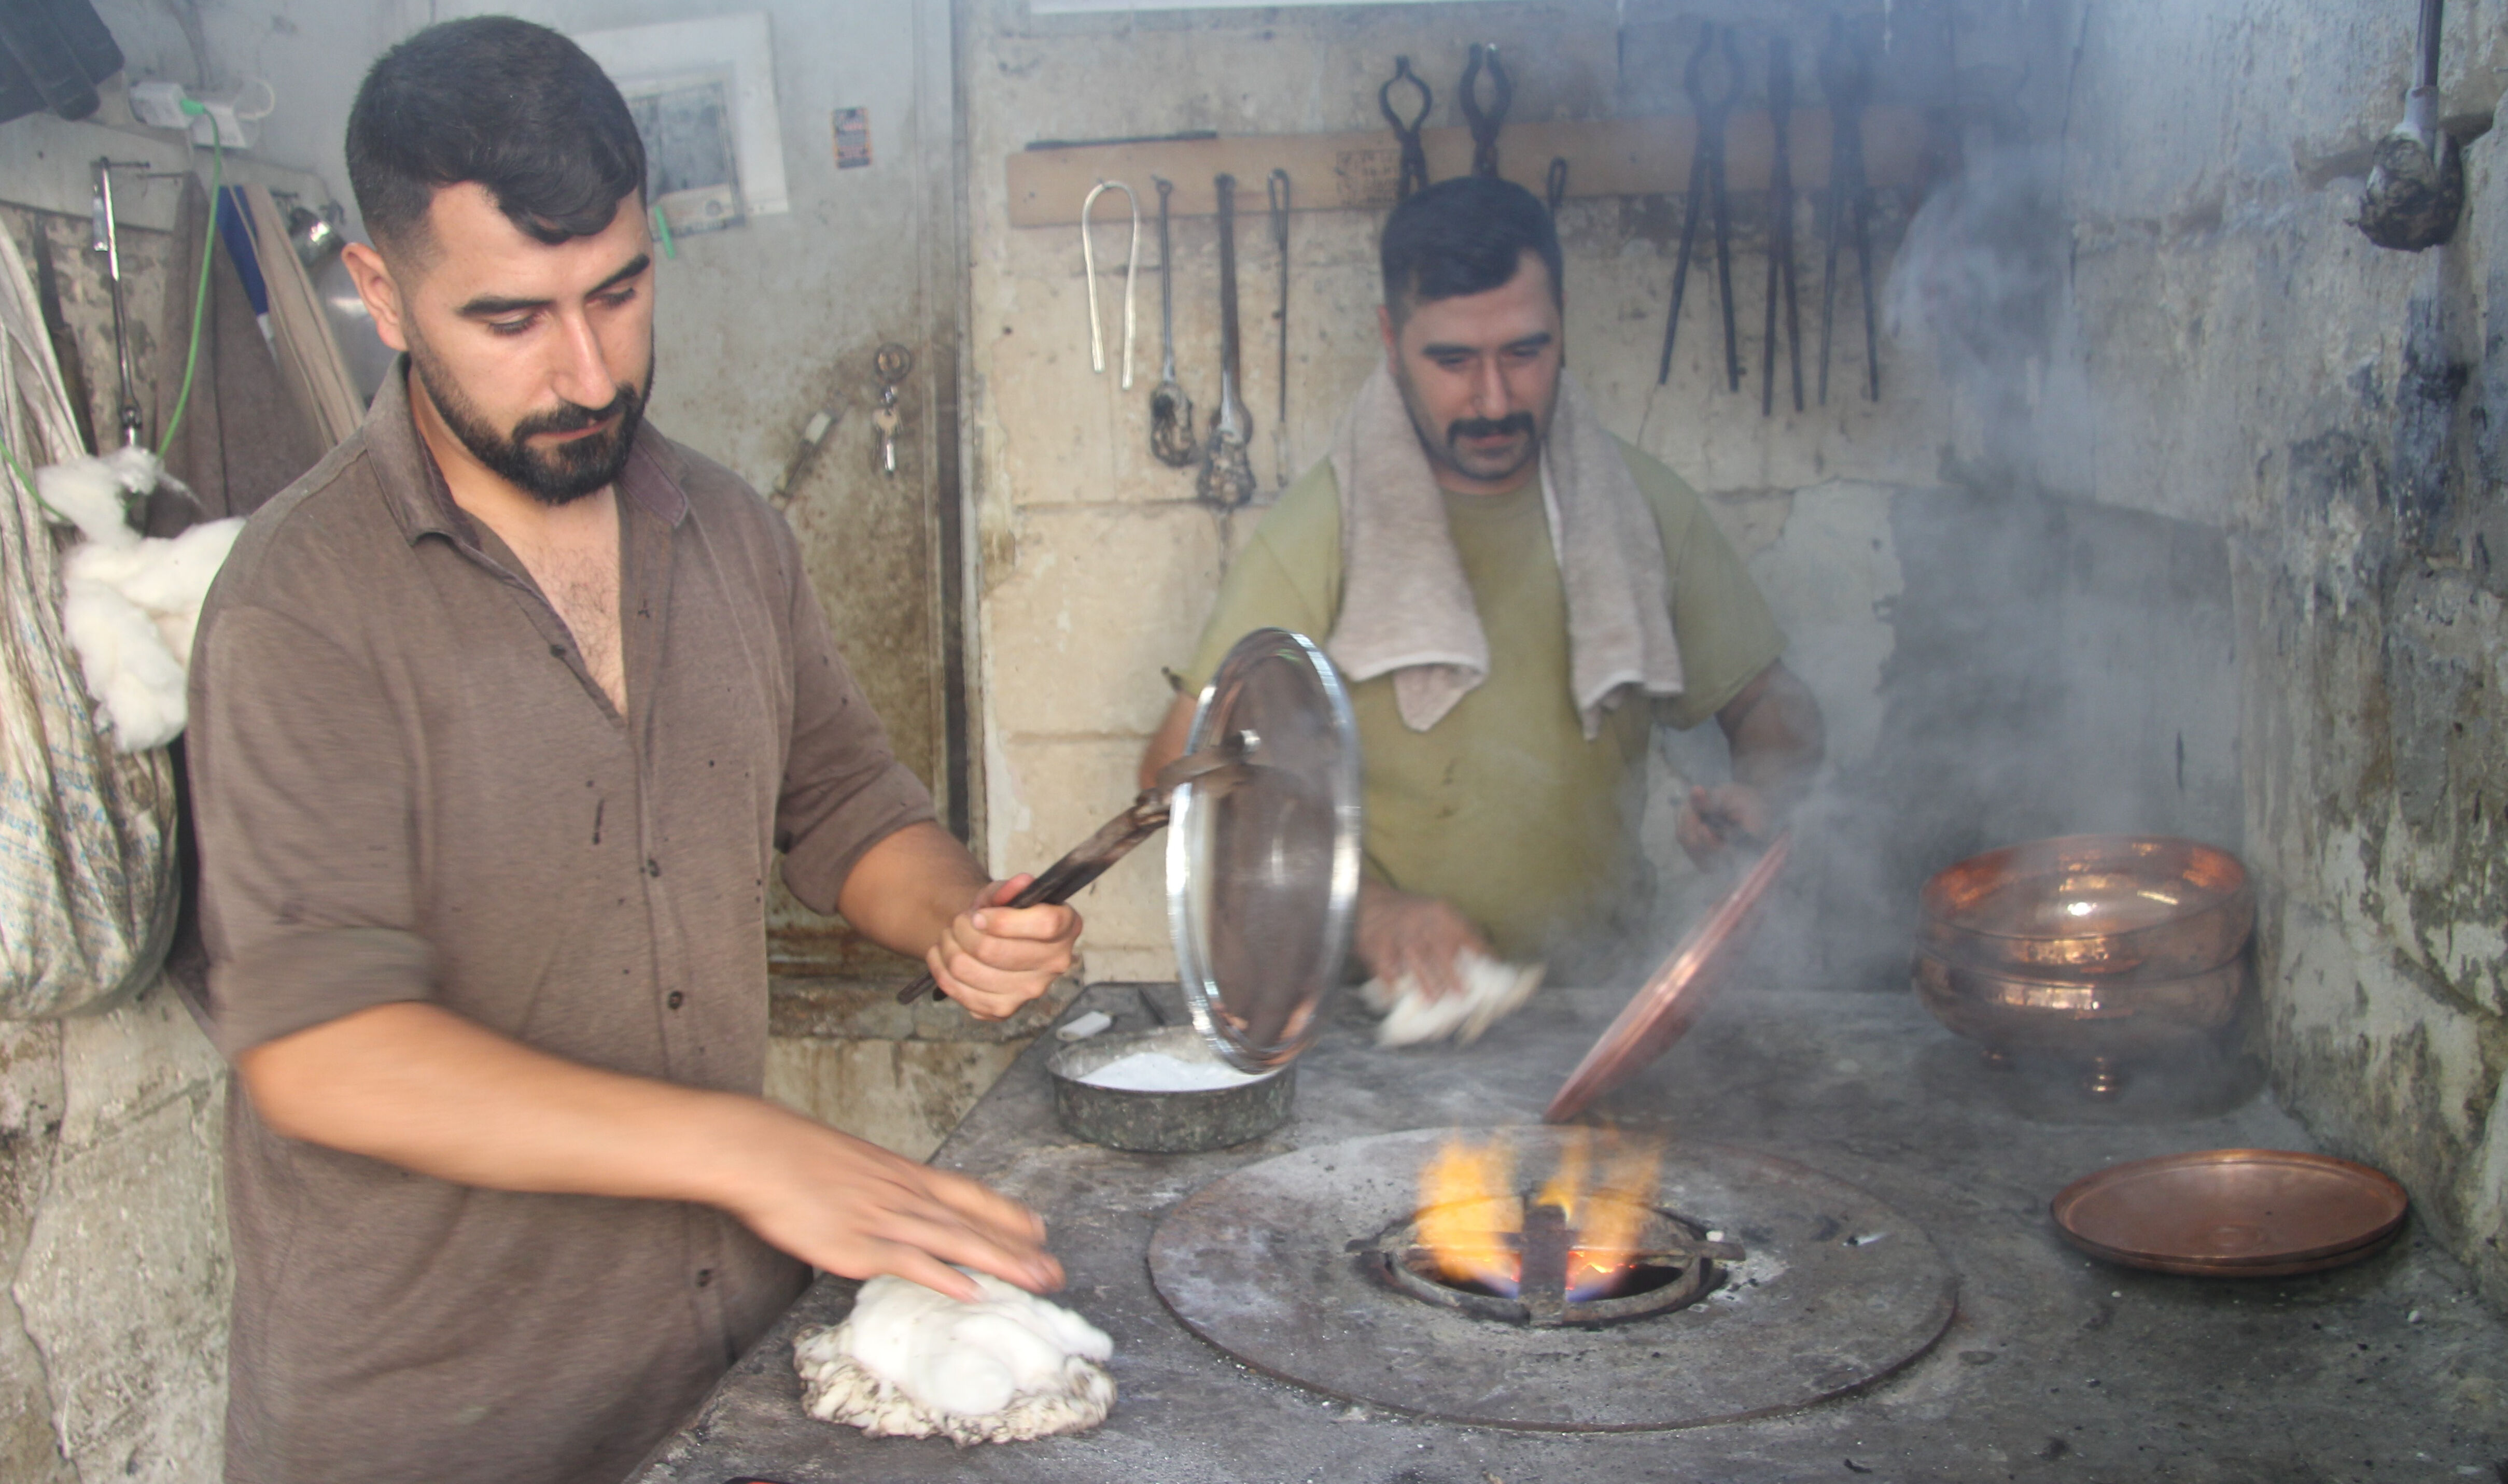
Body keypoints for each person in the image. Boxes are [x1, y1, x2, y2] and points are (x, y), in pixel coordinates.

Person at [186, 19, 1079, 1483]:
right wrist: (748, 1147)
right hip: (438, 1420)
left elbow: (845, 801)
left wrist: (953, 915)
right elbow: (323, 1053)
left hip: (719, 1367)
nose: (591, 371)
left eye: (620, 290)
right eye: (512, 318)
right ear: (382, 293)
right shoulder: (301, 608)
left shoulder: (726, 532)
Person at [1142, 176, 1823, 999]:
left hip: (1597, 997)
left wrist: (1761, 794)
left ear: (1563, 324)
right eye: (1454, 361)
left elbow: (1776, 711)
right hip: (1377, 1013)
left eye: (1524, 353)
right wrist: (1368, 913)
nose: (1494, 399)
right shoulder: (1324, 529)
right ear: (1391, 341)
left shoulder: (1641, 509)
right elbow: (1171, 774)